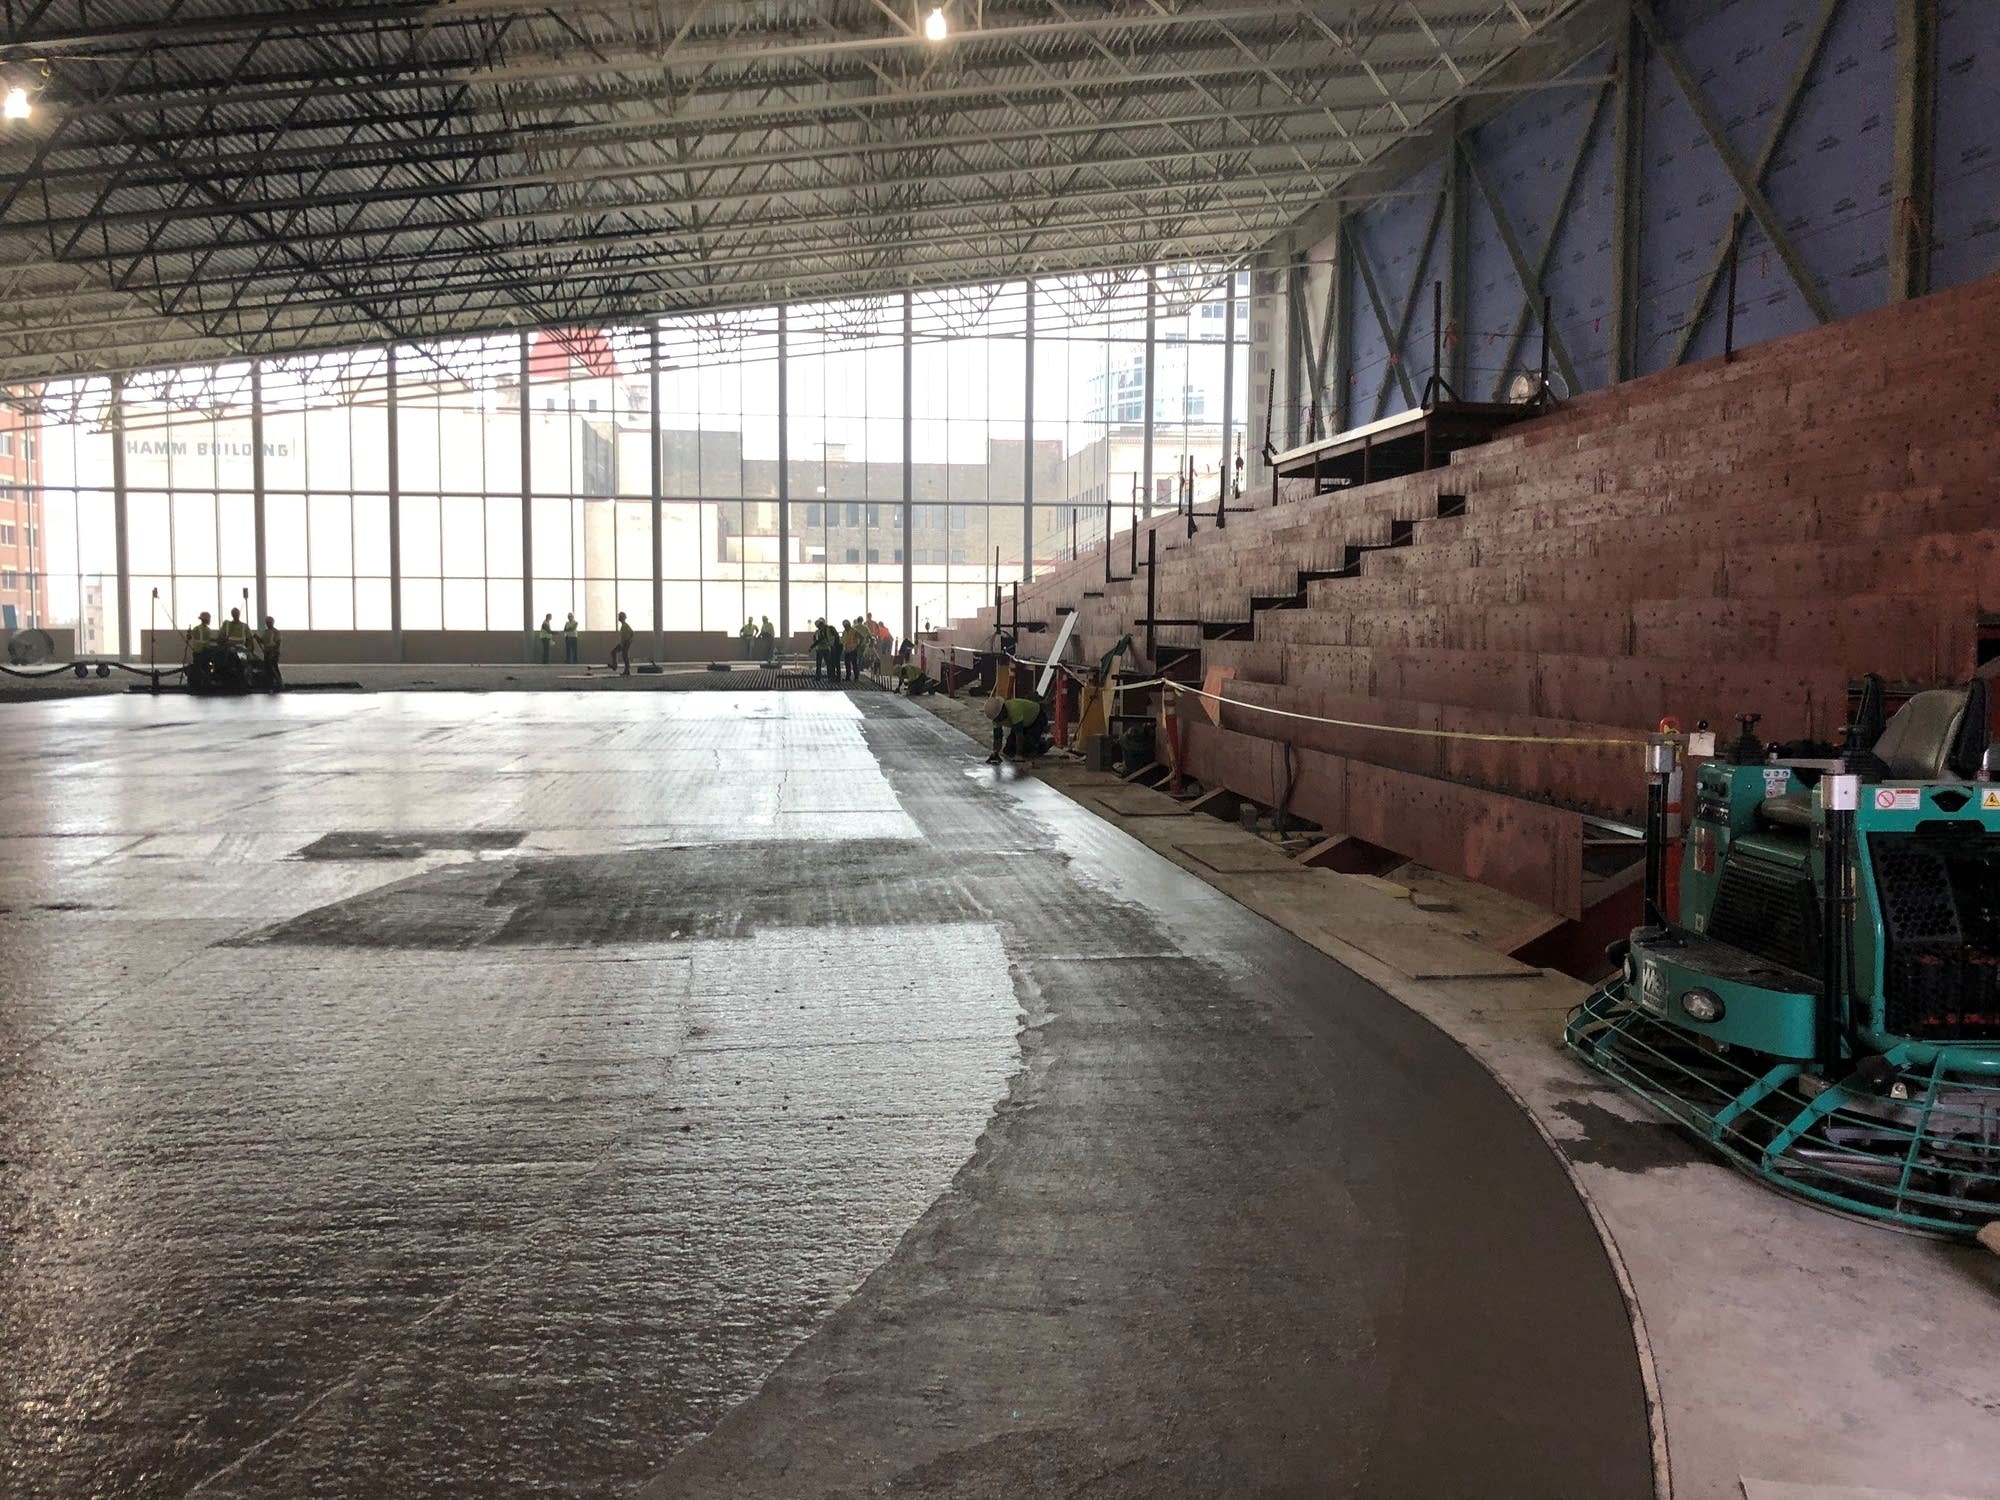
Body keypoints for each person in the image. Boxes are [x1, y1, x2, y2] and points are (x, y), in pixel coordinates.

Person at [984, 695, 1049, 763]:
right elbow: (997, 737)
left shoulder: (1014, 709)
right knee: (1008, 751)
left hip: (1036, 719)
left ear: (1003, 710)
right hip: (1023, 723)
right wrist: (995, 752)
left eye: (999, 718)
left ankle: (1044, 744)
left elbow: (1019, 734)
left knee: (1027, 749)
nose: (998, 721)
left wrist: (1019, 755)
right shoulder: (996, 718)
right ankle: (1034, 741)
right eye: (996, 719)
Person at [255, 615, 282, 691]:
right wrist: (257, 638)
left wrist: (273, 653)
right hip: (267, 653)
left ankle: (279, 683)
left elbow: (278, 643)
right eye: (267, 622)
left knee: (273, 667)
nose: (268, 624)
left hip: (273, 653)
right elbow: (262, 641)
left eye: (269, 622)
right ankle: (270, 684)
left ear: (272, 623)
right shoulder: (266, 632)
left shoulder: (276, 632)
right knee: (267, 669)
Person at [609, 610, 634, 676]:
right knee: (614, 652)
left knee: (625, 656)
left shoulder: (625, 626)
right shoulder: (624, 626)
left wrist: (628, 641)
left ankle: (626, 670)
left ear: (622, 618)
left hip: (625, 643)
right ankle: (615, 666)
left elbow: (632, 633)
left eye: (620, 617)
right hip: (623, 643)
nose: (619, 618)